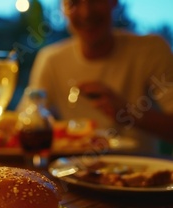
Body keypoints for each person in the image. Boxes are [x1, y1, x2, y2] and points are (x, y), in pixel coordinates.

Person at [28, 0, 173, 155]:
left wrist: (129, 113)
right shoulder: (50, 59)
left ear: (114, 2)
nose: (86, 13)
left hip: (142, 173)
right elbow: (29, 120)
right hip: (72, 172)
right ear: (62, 9)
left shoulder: (151, 50)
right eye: (73, 3)